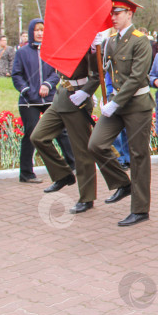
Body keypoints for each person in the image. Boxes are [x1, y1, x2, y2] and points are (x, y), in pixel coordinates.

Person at [87, 0, 156, 227]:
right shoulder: (110, 41)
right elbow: (106, 71)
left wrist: (116, 102)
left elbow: (137, 77)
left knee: (138, 156)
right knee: (96, 144)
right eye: (112, 14)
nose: (113, 18)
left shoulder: (140, 40)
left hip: (136, 105)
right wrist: (93, 48)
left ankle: (140, 209)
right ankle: (122, 183)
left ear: (130, 14)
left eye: (117, 13)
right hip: (116, 103)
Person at [32, 38, 102, 214]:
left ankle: (86, 198)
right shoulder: (65, 38)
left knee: (81, 153)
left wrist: (86, 93)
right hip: (61, 97)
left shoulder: (88, 41)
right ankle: (63, 175)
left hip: (77, 98)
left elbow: (97, 74)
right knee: (38, 137)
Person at [11, 18, 76, 184]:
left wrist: (47, 84)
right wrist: (27, 91)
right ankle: (26, 173)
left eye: (42, 30)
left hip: (49, 98)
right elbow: (17, 75)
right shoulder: (22, 52)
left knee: (61, 131)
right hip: (29, 101)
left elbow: (57, 72)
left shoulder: (51, 51)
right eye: (36, 30)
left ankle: (73, 164)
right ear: (31, 32)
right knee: (31, 134)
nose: (40, 33)